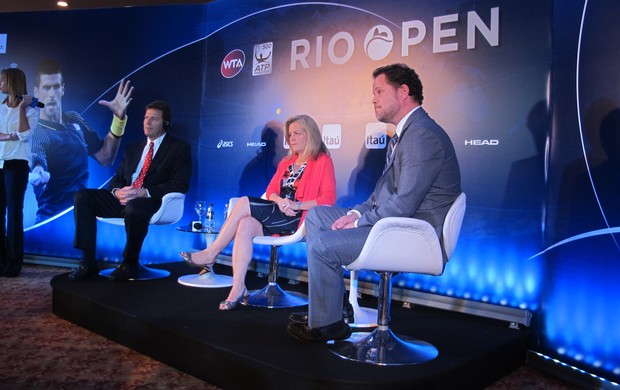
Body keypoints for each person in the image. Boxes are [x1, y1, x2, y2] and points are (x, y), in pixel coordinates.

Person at [286, 63, 462, 342]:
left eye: (380, 91)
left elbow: (403, 205)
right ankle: (331, 310)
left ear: (403, 92)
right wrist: (356, 212)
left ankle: (326, 325)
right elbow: (381, 197)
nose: (373, 98)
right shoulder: (406, 134)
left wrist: (357, 221)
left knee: (322, 245)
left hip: (415, 235)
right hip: (397, 224)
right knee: (318, 216)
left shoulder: (422, 135)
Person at [181, 114, 336, 310]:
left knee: (245, 202)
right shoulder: (286, 162)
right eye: (290, 134)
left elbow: (328, 199)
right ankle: (238, 287)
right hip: (279, 212)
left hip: (299, 219)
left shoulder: (322, 160)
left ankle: (211, 253)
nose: (292, 138)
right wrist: (281, 201)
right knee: (245, 224)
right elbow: (271, 191)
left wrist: (296, 205)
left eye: (297, 133)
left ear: (310, 134)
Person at [69, 100, 191, 281]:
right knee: (83, 196)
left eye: (154, 119)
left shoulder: (178, 148)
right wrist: (117, 191)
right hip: (125, 198)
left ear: (165, 123)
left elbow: (180, 184)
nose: (147, 123)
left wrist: (145, 192)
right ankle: (87, 262)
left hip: (151, 201)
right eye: (146, 118)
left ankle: (129, 263)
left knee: (135, 207)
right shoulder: (133, 148)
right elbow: (118, 177)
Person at [30, 59, 134, 223]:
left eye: (56, 87)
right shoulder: (37, 131)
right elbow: (37, 157)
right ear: (37, 92)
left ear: (62, 89)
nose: (51, 94)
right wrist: (38, 171)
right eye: (46, 88)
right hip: (51, 223)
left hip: (82, 216)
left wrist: (119, 118)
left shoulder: (75, 119)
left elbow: (105, 157)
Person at [0, 67, 40, 277]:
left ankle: (13, 264)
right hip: (0, 163)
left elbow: (24, 135)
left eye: (2, 79)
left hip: (17, 165)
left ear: (13, 82)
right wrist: (10, 136)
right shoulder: (0, 106)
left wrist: (22, 109)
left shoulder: (31, 109)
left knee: (14, 213)